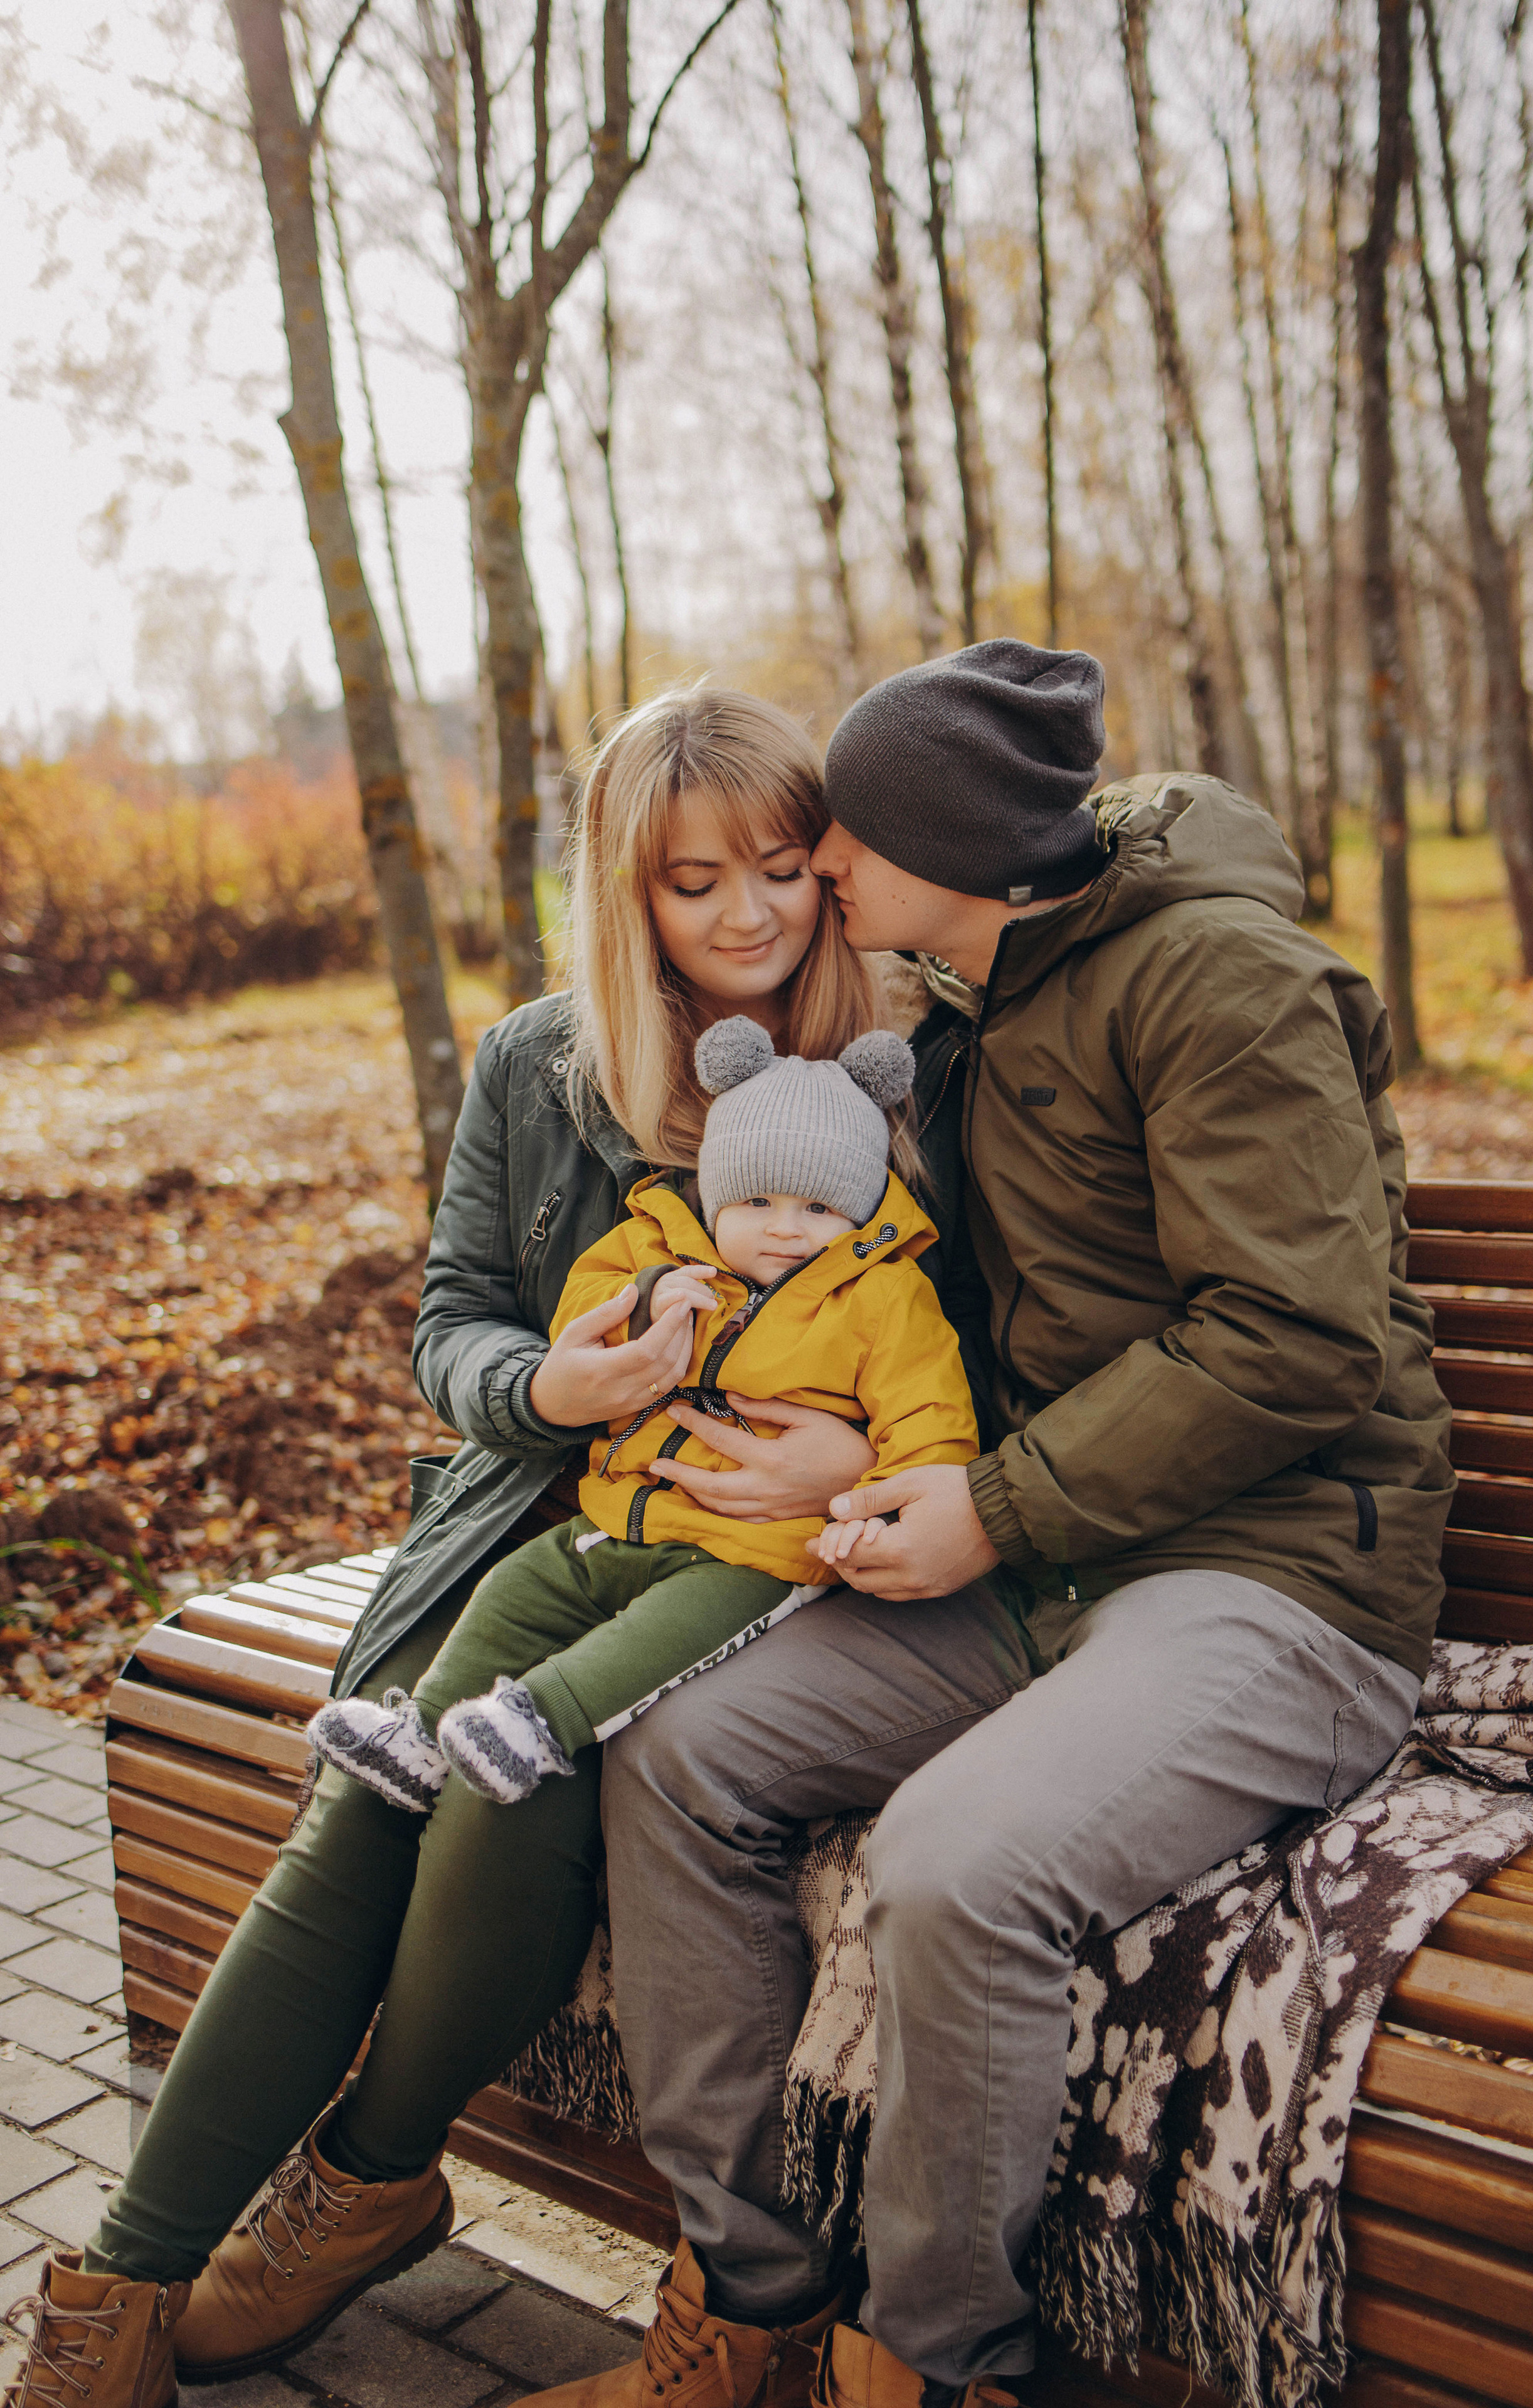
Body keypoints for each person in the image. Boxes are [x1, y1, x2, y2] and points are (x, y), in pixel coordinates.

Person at [5, 687, 1033, 2408]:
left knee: (496, 1792)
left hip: (777, 1565)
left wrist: (870, 1452)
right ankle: (118, 2288)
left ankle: (366, 2181)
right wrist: (552, 1381)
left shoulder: (921, 1056)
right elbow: (452, 1328)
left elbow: (1000, 1345)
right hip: (539, 1532)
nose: (747, 917)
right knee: (367, 1817)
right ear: (629, 896)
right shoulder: (540, 1067)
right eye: (694, 884)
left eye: (781, 869)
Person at [532, 642, 1453, 2408]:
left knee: (954, 1864)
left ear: (947, 844)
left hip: (1281, 1580)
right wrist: (831, 1451)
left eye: (840, 844)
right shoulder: (976, 1006)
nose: (814, 878)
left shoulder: (1216, 983)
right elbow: (902, 1290)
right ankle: (756, 2299)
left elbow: (1300, 1335)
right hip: (1050, 1556)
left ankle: (930, 2360)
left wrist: (995, 1504)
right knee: (679, 1757)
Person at [307, 1017, 978, 1814]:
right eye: (757, 1198)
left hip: (753, 1553)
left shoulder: (882, 1295)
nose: (785, 1227)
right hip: (625, 1515)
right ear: (718, 1193)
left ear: (859, 1211)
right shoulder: (661, 1244)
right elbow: (582, 1303)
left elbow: (929, 1414)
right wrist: (650, 1297)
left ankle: (539, 1724)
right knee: (515, 1589)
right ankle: (418, 1736)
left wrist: (885, 1510)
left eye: (818, 1207)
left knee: (660, 1637)